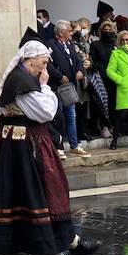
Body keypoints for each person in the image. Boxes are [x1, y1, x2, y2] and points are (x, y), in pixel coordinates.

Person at [0, 37, 99, 255]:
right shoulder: (23, 82)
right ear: (29, 60)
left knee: (21, 199)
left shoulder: (18, 79)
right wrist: (44, 86)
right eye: (42, 64)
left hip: (17, 148)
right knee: (43, 197)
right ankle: (59, 253)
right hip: (25, 150)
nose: (44, 69)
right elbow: (46, 112)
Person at [48, 21, 89, 157]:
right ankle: (58, 147)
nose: (72, 33)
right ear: (60, 33)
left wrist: (80, 71)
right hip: (57, 87)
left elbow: (78, 60)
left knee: (71, 116)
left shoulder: (70, 44)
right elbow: (48, 65)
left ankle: (74, 145)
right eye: (69, 30)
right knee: (58, 117)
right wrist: (60, 76)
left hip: (70, 87)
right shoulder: (50, 44)